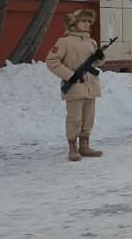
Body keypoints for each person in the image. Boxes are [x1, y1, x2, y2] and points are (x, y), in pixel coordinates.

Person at [45, 8, 105, 162]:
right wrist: (70, 75)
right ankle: (73, 147)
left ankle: (85, 146)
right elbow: (52, 61)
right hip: (75, 85)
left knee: (88, 118)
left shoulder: (91, 41)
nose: (86, 24)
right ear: (74, 23)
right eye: (82, 21)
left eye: (88, 21)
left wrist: (99, 57)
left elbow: (97, 63)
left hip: (91, 84)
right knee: (75, 118)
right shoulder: (64, 41)